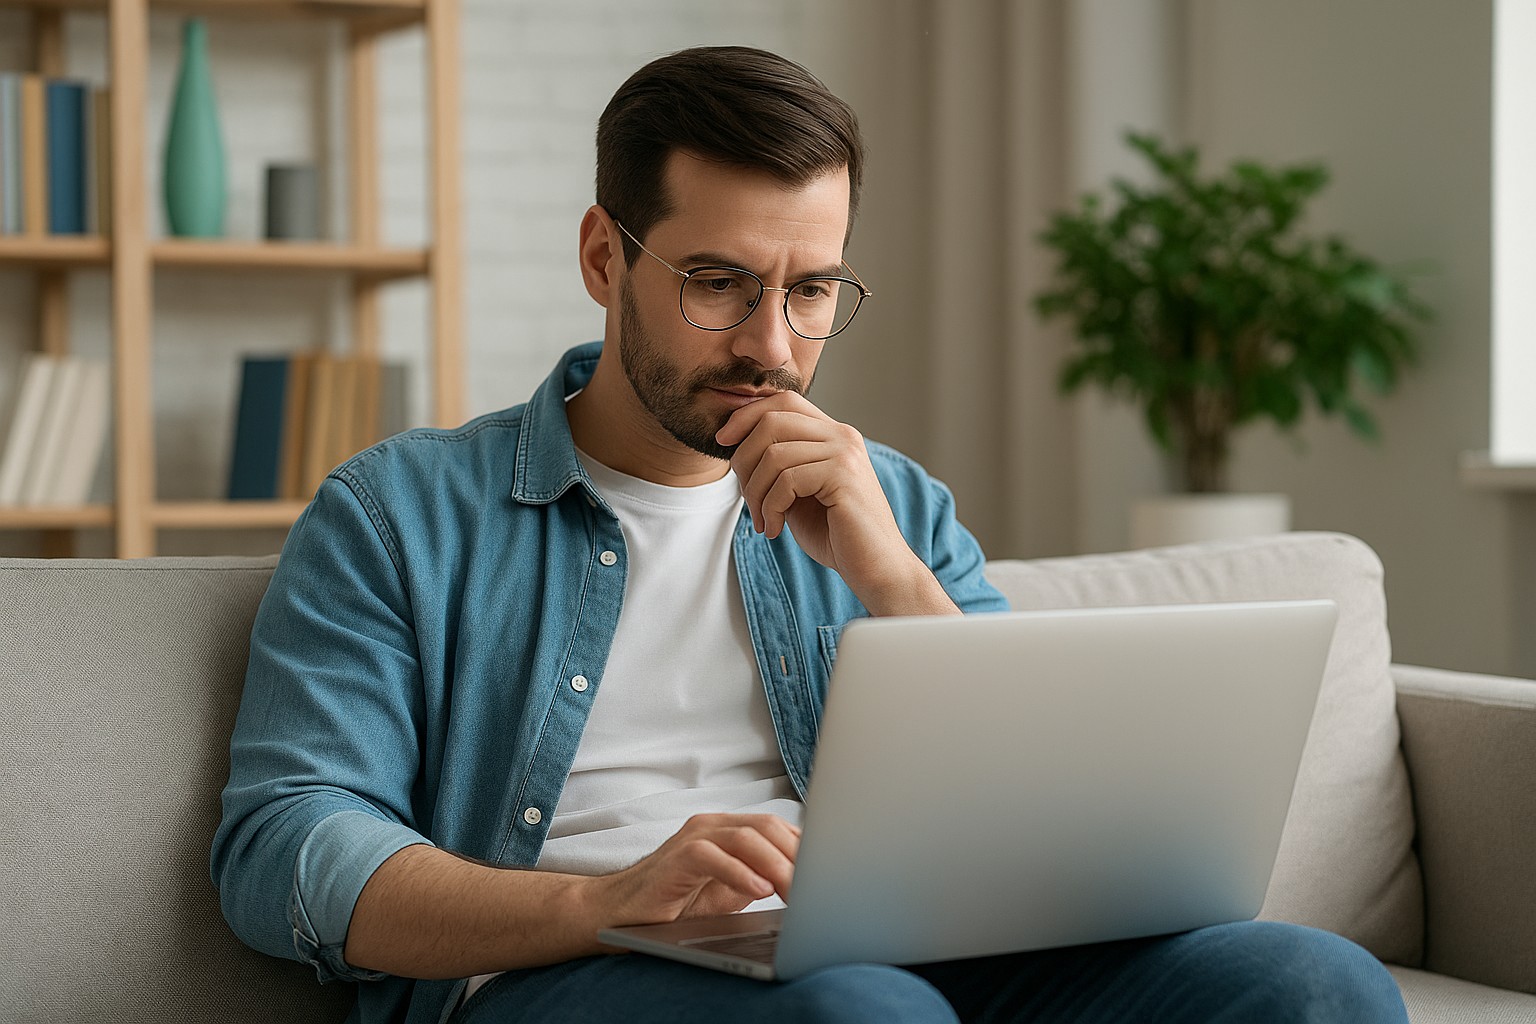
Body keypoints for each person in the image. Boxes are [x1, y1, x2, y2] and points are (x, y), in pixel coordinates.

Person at [213, 45, 1408, 1024]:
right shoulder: (397, 515)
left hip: (902, 959)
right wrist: (607, 898)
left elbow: (1030, 803)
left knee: (1313, 983)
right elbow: (286, 846)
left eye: (812, 289)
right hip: (565, 971)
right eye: (720, 283)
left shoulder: (893, 502)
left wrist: (889, 572)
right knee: (863, 1015)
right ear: (602, 258)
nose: (775, 347)